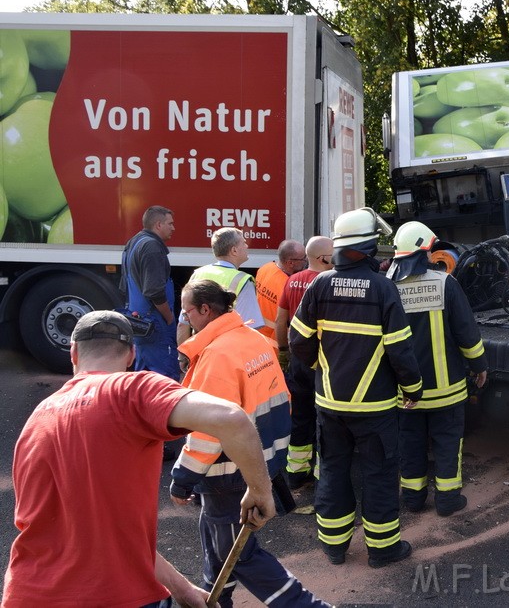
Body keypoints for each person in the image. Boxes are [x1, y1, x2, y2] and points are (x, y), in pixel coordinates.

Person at [2, 310, 276, 608]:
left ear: (74, 353)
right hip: (116, 597)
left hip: (27, 595)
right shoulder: (132, 390)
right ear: (131, 354)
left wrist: (182, 590)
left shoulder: (37, 419)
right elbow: (231, 418)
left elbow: (108, 537)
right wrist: (260, 490)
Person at [171, 280, 330, 607]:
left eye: (186, 313)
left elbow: (208, 429)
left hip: (226, 472)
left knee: (238, 553)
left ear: (205, 310)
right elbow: (280, 400)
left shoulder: (216, 355)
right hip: (258, 460)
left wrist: (183, 478)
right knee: (218, 539)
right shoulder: (254, 340)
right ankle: (214, 598)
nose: (184, 320)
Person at [290, 207, 423, 568]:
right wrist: (413, 389)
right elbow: (400, 350)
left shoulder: (320, 284)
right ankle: (382, 550)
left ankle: (334, 547)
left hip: (330, 404)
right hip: (375, 408)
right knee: (379, 474)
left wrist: (321, 366)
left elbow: (297, 340)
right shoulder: (383, 289)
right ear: (368, 248)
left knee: (333, 470)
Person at [386, 221, 488, 516]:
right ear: (426, 250)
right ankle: (447, 500)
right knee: (447, 443)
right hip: (448, 391)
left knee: (410, 444)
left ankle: (414, 499)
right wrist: (479, 365)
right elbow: (466, 332)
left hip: (405, 392)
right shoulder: (446, 283)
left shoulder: (388, 286)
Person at [275, 235, 334, 489]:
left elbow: (281, 321)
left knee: (300, 414)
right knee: (325, 418)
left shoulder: (292, 281)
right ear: (323, 258)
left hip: (298, 359)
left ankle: (297, 472)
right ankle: (323, 473)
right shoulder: (330, 282)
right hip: (322, 361)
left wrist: (284, 350)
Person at [176, 227, 262, 358]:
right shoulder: (243, 281)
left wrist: (183, 357)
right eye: (243, 243)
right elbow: (252, 327)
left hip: (199, 352)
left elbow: (183, 323)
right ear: (234, 250)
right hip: (228, 356)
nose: (247, 246)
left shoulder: (197, 274)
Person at [120, 205, 179, 380]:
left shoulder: (134, 242)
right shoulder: (153, 248)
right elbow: (154, 290)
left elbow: (124, 285)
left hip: (139, 320)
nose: (173, 228)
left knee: (143, 377)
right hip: (155, 322)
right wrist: (169, 318)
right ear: (158, 225)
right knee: (163, 379)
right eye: (170, 223)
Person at [255, 238, 306, 341]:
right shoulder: (289, 286)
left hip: (258, 335)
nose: (306, 261)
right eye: (303, 258)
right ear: (290, 263)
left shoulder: (265, 268)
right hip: (275, 342)